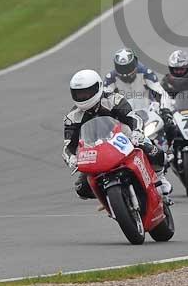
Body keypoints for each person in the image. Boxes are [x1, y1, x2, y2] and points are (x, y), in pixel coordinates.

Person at [63, 69, 172, 198]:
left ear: (98, 87)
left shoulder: (114, 99)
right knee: (81, 189)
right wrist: (71, 158)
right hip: (95, 150)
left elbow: (133, 118)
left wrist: (136, 132)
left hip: (123, 140)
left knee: (153, 150)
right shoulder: (72, 117)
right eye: (79, 94)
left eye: (87, 92)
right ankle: (110, 197)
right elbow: (68, 146)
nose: (83, 97)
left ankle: (160, 176)